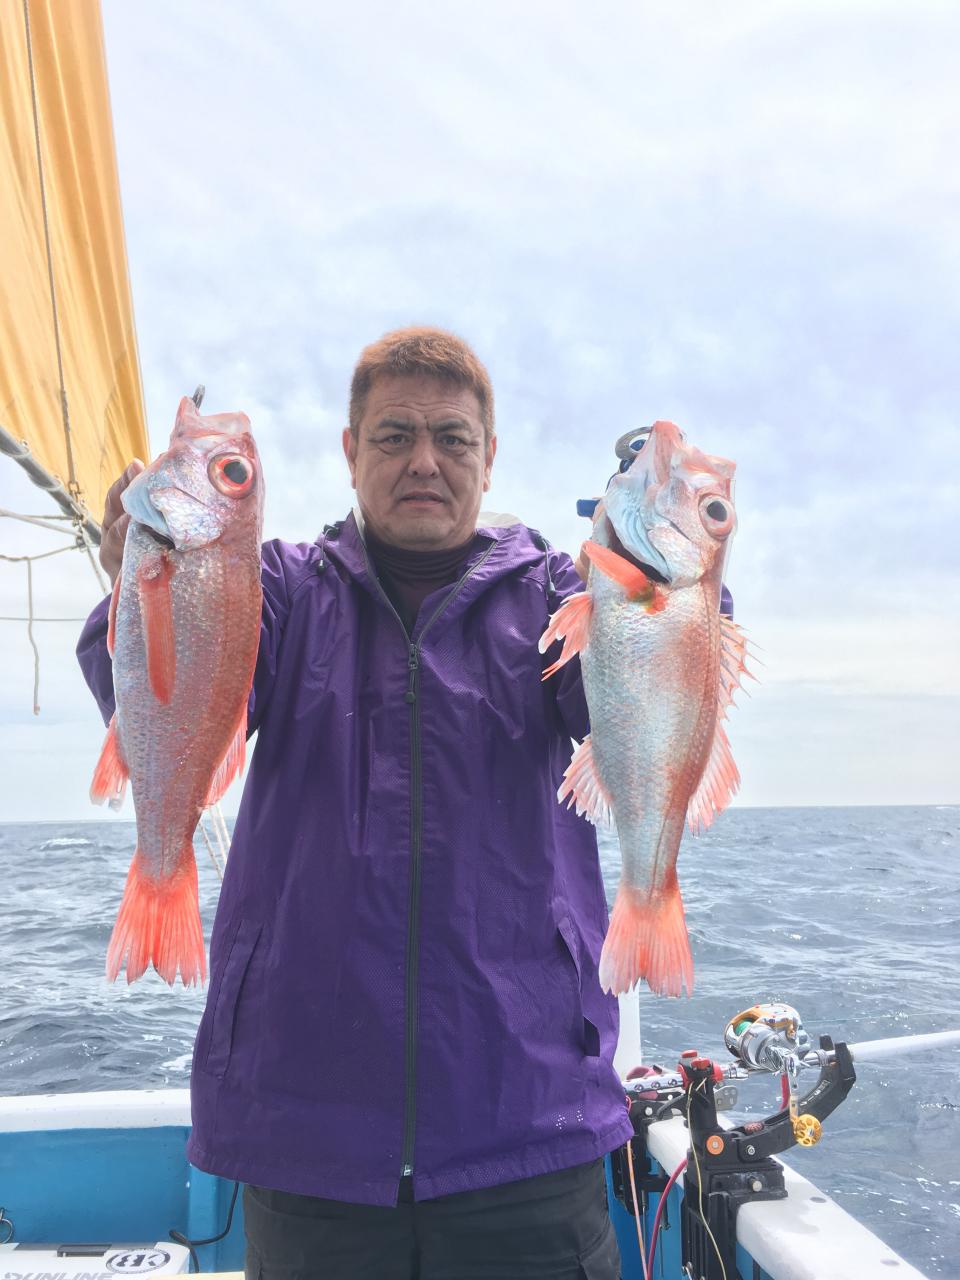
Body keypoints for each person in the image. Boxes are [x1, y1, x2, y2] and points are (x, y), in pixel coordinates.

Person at [77, 327, 632, 1280]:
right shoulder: (279, 589)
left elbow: (639, 709)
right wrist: (139, 588)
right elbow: (172, 701)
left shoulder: (555, 597)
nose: (425, 461)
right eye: (394, 436)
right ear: (349, 450)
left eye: (452, 439)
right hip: (307, 1133)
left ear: (490, 456)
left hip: (530, 1124)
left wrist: (666, 590)